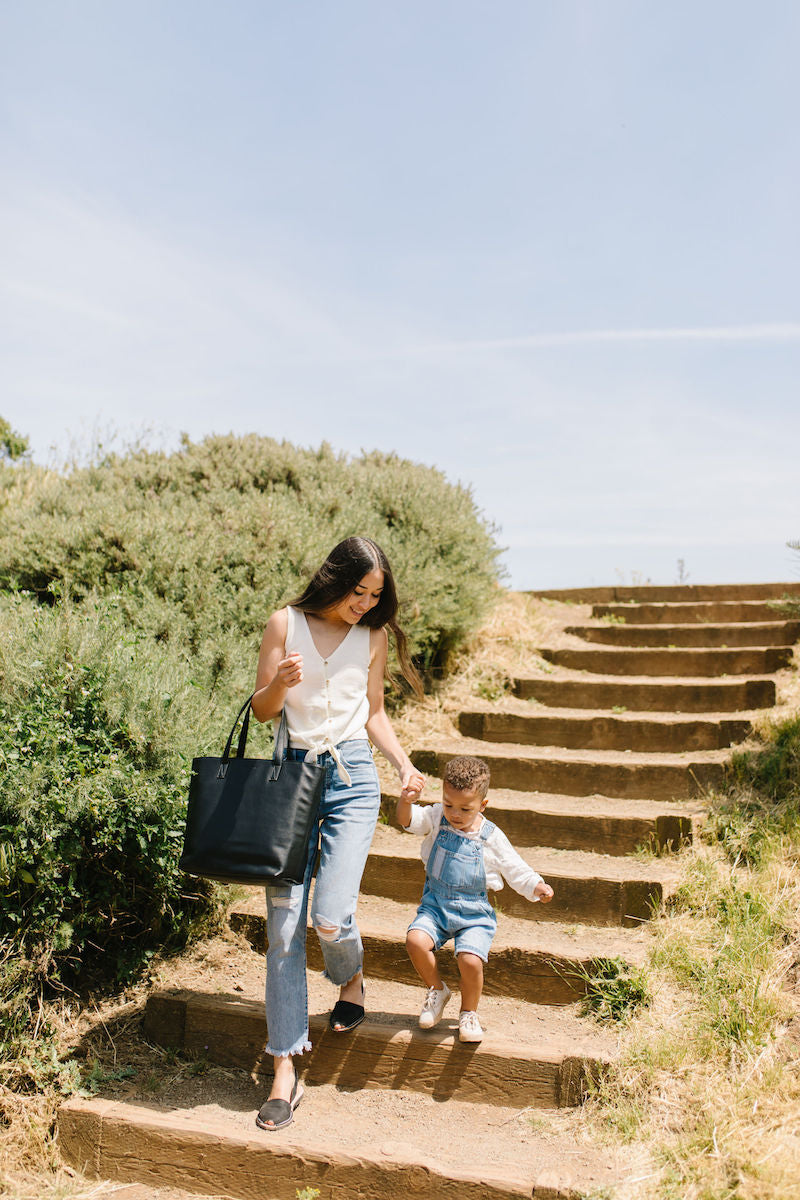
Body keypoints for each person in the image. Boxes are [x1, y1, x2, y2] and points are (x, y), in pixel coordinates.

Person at [250, 536, 425, 1131]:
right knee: (282, 929)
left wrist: (403, 765)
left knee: (331, 916)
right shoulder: (285, 623)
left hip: (353, 779)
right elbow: (263, 710)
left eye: (375, 596)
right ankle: (284, 1069)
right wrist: (282, 682)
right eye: (359, 592)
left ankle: (350, 975)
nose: (365, 604)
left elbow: (374, 711)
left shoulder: (372, 638)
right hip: (293, 781)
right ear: (336, 579)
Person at [396, 754, 554, 1043]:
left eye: (465, 808)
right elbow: (408, 821)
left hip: (474, 913)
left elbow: (514, 867)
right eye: (448, 804)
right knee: (415, 940)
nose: (454, 813)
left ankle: (468, 1013)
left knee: (470, 960)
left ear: (482, 805)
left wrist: (536, 885)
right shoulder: (435, 817)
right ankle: (437, 990)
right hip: (436, 905)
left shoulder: (490, 837)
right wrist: (406, 800)